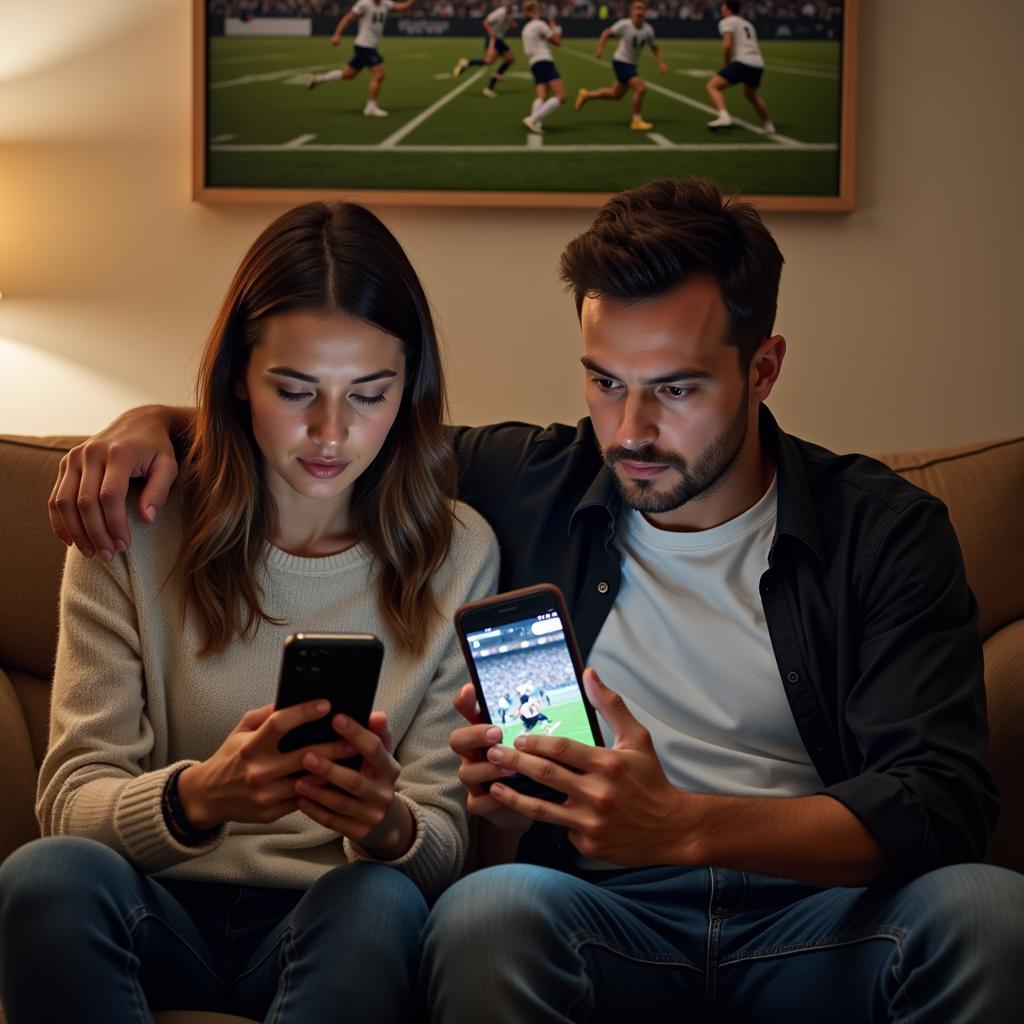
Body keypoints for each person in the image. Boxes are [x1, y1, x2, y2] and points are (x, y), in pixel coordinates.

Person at [44, 179, 1024, 1021]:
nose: (630, 428)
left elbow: (937, 803)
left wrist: (680, 823)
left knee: (989, 910)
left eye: (676, 389)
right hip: (595, 916)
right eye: (605, 381)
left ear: (762, 368)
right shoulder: (524, 477)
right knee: (487, 910)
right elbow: (333, 433)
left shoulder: (884, 528)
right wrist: (150, 427)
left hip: (823, 920)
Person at [0, 201, 498, 1023]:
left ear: (410, 387)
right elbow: (69, 803)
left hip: (332, 917)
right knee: (44, 876)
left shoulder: (459, 554)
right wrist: (201, 797)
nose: (331, 433)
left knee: (381, 904)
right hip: (153, 909)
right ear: (238, 374)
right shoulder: (133, 525)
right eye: (294, 390)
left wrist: (385, 825)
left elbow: (440, 846)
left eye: (369, 394)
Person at [306, 0, 418, 118]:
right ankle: (371, 106)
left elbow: (403, 7)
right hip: (365, 45)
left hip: (369, 45)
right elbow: (347, 18)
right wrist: (337, 34)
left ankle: (318, 78)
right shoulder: (364, 4)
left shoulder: (386, 4)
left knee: (348, 74)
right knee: (379, 75)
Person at [574, 1, 669, 132]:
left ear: (645, 11)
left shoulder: (648, 29)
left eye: (642, 8)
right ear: (631, 11)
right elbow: (607, 33)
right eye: (637, 8)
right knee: (641, 88)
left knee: (616, 94)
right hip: (621, 62)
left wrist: (661, 62)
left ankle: (586, 95)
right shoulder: (624, 24)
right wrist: (599, 49)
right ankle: (636, 120)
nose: (639, 11)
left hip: (631, 64)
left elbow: (655, 48)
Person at [705, 0, 776, 134]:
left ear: (728, 9)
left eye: (723, 6)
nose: (722, 9)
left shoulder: (727, 21)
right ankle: (768, 125)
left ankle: (724, 116)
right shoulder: (747, 23)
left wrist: (726, 64)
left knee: (712, 86)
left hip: (743, 61)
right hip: (758, 63)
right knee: (751, 95)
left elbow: (727, 45)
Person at [519, 0, 565, 135]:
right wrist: (554, 28)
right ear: (535, 10)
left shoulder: (526, 28)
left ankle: (536, 122)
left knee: (541, 96)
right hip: (544, 60)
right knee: (561, 96)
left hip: (533, 63)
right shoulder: (539, 24)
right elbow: (557, 41)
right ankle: (533, 119)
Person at [452, 5, 517, 98]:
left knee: (508, 59)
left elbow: (510, 23)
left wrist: (511, 23)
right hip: (494, 39)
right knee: (492, 61)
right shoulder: (499, 12)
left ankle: (469, 64)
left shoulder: (508, 13)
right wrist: (491, 32)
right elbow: (486, 22)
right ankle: (489, 85)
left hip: (499, 39)